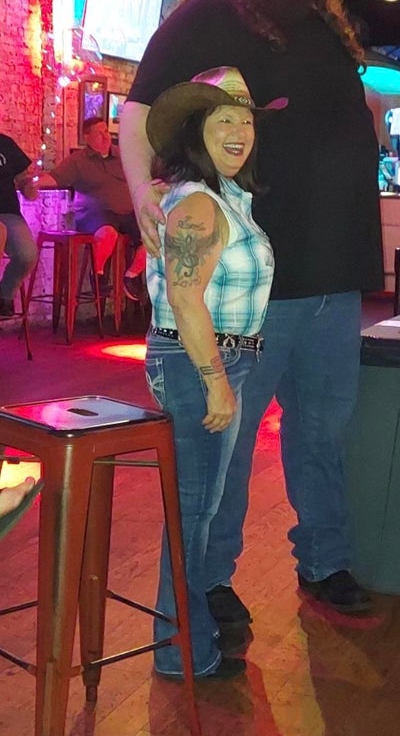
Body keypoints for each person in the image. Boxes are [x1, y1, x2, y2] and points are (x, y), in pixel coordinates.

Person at [120, 0, 384, 622]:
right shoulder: (205, 16)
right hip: (250, 283)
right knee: (228, 439)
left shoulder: (326, 29)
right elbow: (138, 110)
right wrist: (142, 192)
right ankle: (209, 582)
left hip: (335, 276)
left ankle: (325, 559)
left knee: (323, 432)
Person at [144, 66, 280, 680]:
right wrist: (216, 380)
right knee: (194, 513)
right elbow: (184, 295)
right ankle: (182, 654)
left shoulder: (221, 197)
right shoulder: (199, 202)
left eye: (246, 118)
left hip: (215, 359)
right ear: (195, 130)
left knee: (199, 511)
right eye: (223, 117)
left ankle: (184, 644)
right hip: (198, 362)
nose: (239, 130)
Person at [39, 117, 146, 300]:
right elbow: (55, 178)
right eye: (99, 133)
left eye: (106, 132)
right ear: (86, 137)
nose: (105, 136)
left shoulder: (123, 155)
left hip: (127, 212)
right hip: (94, 213)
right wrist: (32, 183)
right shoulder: (78, 160)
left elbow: (143, 176)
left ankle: (131, 276)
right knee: (108, 233)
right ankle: (98, 275)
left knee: (155, 236)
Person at [0, 130, 38, 317]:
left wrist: (27, 186)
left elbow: (22, 178)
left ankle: (4, 296)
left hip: (8, 212)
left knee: (27, 254)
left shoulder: (5, 143)